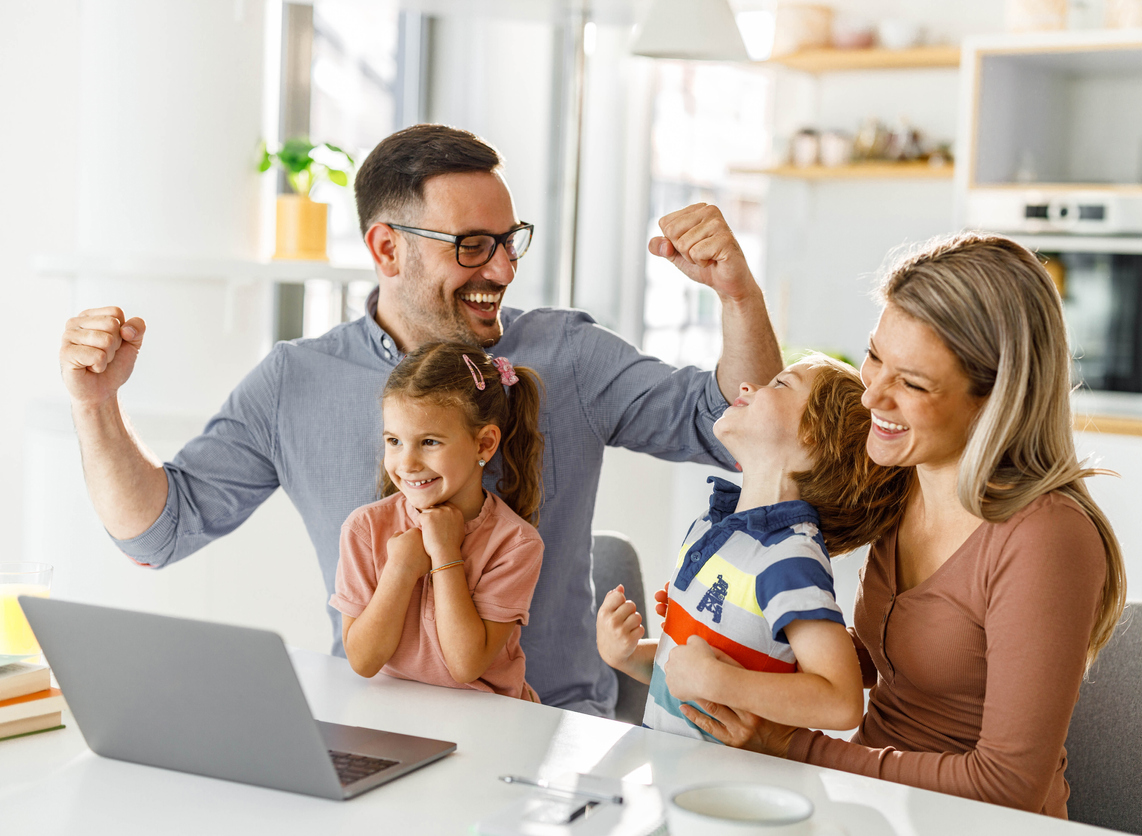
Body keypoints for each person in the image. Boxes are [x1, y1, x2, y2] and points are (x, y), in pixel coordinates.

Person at [56, 123, 783, 717]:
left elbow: (734, 429)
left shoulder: (568, 354)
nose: (500, 269)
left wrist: (738, 297)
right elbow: (156, 533)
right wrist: (96, 406)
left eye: (509, 240)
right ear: (385, 248)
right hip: (373, 722)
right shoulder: (294, 382)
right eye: (472, 246)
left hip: (548, 728)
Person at [668, 232, 1126, 819]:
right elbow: (776, 436)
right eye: (875, 355)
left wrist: (791, 745)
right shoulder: (902, 479)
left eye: (911, 383)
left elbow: (1009, 786)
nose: (871, 396)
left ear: (993, 400)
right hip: (872, 808)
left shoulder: (1045, 538)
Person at [596, 355, 910, 741]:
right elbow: (681, 674)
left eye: (780, 384)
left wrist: (719, 681)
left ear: (814, 434)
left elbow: (841, 700)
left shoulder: (791, 557)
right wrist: (626, 656)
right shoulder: (710, 529)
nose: (748, 385)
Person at [332, 342, 544, 700]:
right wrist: (400, 567)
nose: (408, 462)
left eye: (429, 441)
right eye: (395, 441)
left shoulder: (516, 544)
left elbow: (466, 666)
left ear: (484, 445)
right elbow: (363, 661)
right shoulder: (364, 529)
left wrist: (445, 554)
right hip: (398, 715)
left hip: (490, 720)